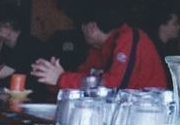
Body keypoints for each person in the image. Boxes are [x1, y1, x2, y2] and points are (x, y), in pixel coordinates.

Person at [31, 8, 167, 90]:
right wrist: (49, 75)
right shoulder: (98, 49)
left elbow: (115, 86)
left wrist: (61, 78)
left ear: (91, 27)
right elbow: (83, 82)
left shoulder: (130, 38)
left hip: (145, 118)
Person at [0, 14, 48, 89]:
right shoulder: (7, 45)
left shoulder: (26, 43)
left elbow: (2, 73)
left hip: (37, 91)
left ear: (8, 26)